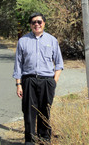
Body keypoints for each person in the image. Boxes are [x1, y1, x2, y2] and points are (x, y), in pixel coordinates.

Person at [13, 12, 64, 145]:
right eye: (34, 22)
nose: (37, 24)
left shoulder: (52, 40)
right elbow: (18, 64)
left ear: (44, 23)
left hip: (47, 80)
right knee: (29, 112)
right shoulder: (23, 41)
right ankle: (29, 141)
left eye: (39, 22)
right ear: (30, 25)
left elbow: (59, 63)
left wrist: (54, 81)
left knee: (44, 112)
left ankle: (44, 140)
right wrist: (18, 84)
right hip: (28, 80)